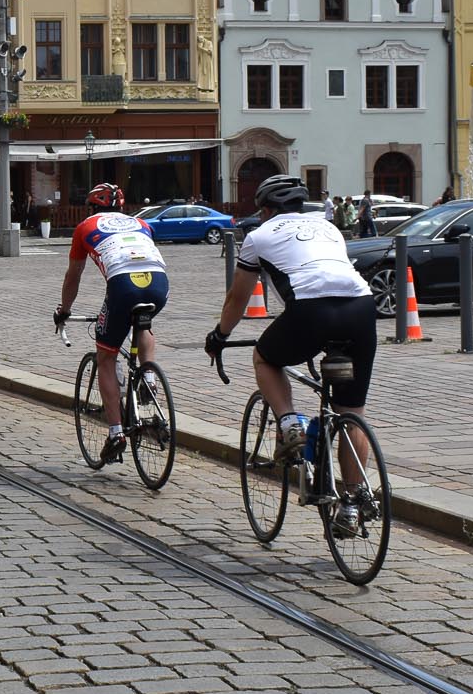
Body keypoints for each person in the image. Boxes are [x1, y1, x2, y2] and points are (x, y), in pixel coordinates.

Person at [205, 174, 378, 536]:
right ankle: (351, 503)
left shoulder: (258, 236)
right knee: (351, 412)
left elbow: (238, 298)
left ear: (267, 210)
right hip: (361, 308)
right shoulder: (329, 228)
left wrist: (220, 335)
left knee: (265, 358)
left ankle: (289, 423)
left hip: (311, 310)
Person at [53, 184, 169, 465]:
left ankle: (116, 433)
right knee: (143, 324)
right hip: (158, 281)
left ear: (92, 208)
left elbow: (73, 276)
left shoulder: (85, 227)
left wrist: (64, 310)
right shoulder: (141, 223)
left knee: (106, 357)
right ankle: (149, 379)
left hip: (122, 284)